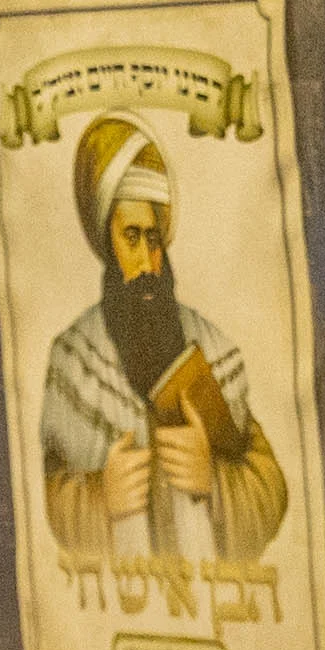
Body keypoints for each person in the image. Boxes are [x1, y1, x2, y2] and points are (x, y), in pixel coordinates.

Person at [33, 113, 287, 559]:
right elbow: (41, 500)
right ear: (106, 240)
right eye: (132, 237)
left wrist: (214, 479)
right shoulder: (73, 359)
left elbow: (270, 491)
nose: (149, 263)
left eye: (155, 239)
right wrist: (100, 498)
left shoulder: (215, 348)